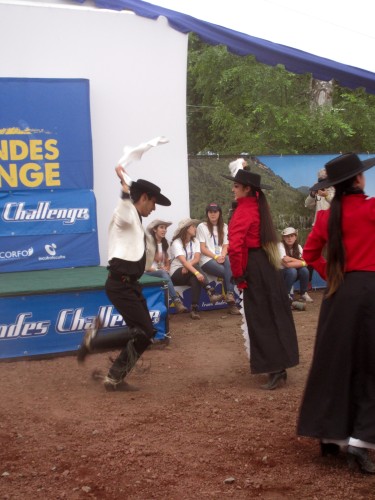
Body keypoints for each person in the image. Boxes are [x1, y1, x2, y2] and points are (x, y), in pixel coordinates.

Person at [297, 153, 375, 474]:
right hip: (371, 294)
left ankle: (330, 437)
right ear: (358, 180)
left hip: (337, 295)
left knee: (334, 363)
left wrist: (333, 276)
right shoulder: (372, 209)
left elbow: (309, 254)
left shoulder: (326, 217)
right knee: (370, 366)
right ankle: (362, 441)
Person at [76, 165, 172, 391]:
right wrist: (125, 190)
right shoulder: (126, 215)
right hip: (121, 285)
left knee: (145, 334)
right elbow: (121, 214)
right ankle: (98, 352)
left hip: (129, 285)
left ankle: (113, 376)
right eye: (153, 202)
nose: (154, 207)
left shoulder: (136, 219)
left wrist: (127, 184)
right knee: (143, 332)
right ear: (145, 198)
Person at [222, 169, 299, 390]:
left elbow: (235, 247)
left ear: (247, 189)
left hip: (253, 267)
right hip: (265, 264)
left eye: (237, 186)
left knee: (260, 318)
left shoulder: (244, 210)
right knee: (273, 314)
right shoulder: (258, 207)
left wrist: (238, 275)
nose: (233, 189)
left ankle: (275, 369)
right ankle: (280, 366)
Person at [169, 218, 223, 320]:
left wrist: (190, 268)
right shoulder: (177, 242)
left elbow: (197, 259)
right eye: (193, 226)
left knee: (195, 280)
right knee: (196, 273)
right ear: (186, 229)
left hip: (189, 270)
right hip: (177, 272)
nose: (195, 228)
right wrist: (196, 272)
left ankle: (194, 309)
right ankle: (209, 291)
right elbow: (184, 262)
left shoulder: (195, 241)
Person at [196, 203, 240, 315]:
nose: (213, 214)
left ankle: (229, 295)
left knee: (229, 260)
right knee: (228, 273)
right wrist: (215, 256)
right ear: (207, 214)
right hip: (207, 259)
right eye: (210, 212)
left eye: (215, 211)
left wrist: (222, 255)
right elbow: (202, 248)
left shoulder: (225, 227)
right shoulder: (202, 226)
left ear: (219, 213)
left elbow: (226, 245)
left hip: (221, 258)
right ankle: (231, 303)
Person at [144, 219, 188, 313]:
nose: (164, 230)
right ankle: (176, 300)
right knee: (163, 273)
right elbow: (144, 266)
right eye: (161, 227)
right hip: (148, 273)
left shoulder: (166, 243)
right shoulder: (147, 243)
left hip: (161, 273)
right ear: (155, 230)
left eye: (165, 228)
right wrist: (159, 270)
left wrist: (167, 268)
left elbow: (168, 261)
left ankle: (175, 303)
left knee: (165, 273)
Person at [278, 227, 313, 303]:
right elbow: (286, 264)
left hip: (292, 273)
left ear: (295, 237)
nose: (289, 238)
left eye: (292, 236)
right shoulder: (280, 246)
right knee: (292, 271)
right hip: (280, 275)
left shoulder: (298, 247)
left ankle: (303, 294)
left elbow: (305, 262)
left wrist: (291, 259)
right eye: (287, 236)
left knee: (304, 270)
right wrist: (301, 262)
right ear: (283, 238)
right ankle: (285, 295)